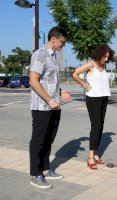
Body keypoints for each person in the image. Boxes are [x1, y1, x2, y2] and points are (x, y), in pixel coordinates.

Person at [29, 26, 72, 189]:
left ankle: (46, 169)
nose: (63, 45)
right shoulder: (40, 54)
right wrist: (49, 100)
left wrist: (61, 91)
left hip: (54, 105)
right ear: (53, 39)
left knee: (49, 139)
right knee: (39, 140)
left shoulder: (53, 57)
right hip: (42, 106)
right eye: (62, 42)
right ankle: (35, 174)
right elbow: (34, 81)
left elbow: (49, 81)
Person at [72, 44, 114, 170]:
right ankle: (90, 156)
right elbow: (75, 74)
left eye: (108, 57)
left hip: (104, 97)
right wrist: (85, 85)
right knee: (95, 126)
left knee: (100, 126)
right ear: (99, 54)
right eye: (105, 56)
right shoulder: (91, 64)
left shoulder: (103, 66)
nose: (106, 59)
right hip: (93, 98)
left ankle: (96, 154)